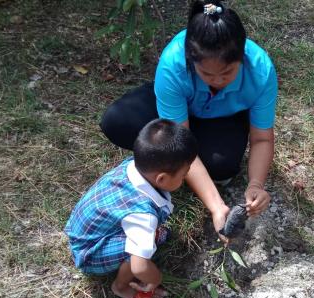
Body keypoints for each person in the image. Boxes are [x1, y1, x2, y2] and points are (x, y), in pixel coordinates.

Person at [100, 0, 278, 237]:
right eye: (206, 73)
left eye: (227, 73)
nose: (217, 80)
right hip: (179, 109)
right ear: (191, 60)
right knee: (117, 122)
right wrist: (216, 206)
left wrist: (256, 184)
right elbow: (177, 138)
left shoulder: (261, 70)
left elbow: (262, 139)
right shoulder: (173, 63)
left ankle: (200, 155)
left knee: (221, 167)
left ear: (242, 58)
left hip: (224, 116)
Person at [64, 119, 198, 298]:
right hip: (88, 252)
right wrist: (154, 277)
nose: (184, 179)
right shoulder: (143, 215)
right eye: (183, 175)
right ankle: (120, 286)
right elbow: (139, 266)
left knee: (152, 237)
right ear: (161, 178)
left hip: (81, 229)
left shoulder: (132, 166)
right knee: (141, 247)